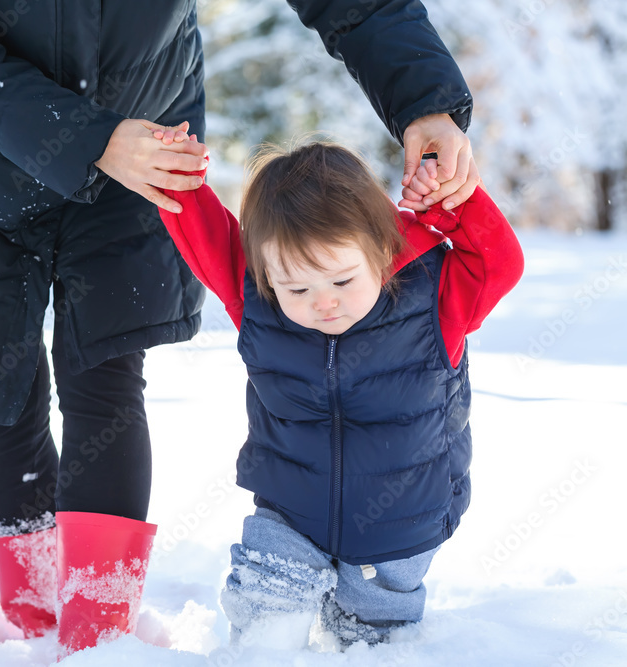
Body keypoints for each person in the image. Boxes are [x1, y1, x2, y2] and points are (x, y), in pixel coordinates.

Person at [0, 0, 481, 655]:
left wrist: (425, 102)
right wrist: (88, 138)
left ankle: (95, 637)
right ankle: (32, 621)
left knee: (104, 373)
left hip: (142, 146)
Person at [156, 140, 523, 649]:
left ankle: (365, 638)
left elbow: (498, 263)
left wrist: (450, 204)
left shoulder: (434, 296)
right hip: (289, 510)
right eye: (298, 289)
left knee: (371, 634)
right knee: (266, 607)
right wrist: (176, 178)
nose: (323, 303)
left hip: (399, 524)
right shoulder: (258, 299)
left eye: (342, 279)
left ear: (381, 247)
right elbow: (208, 237)